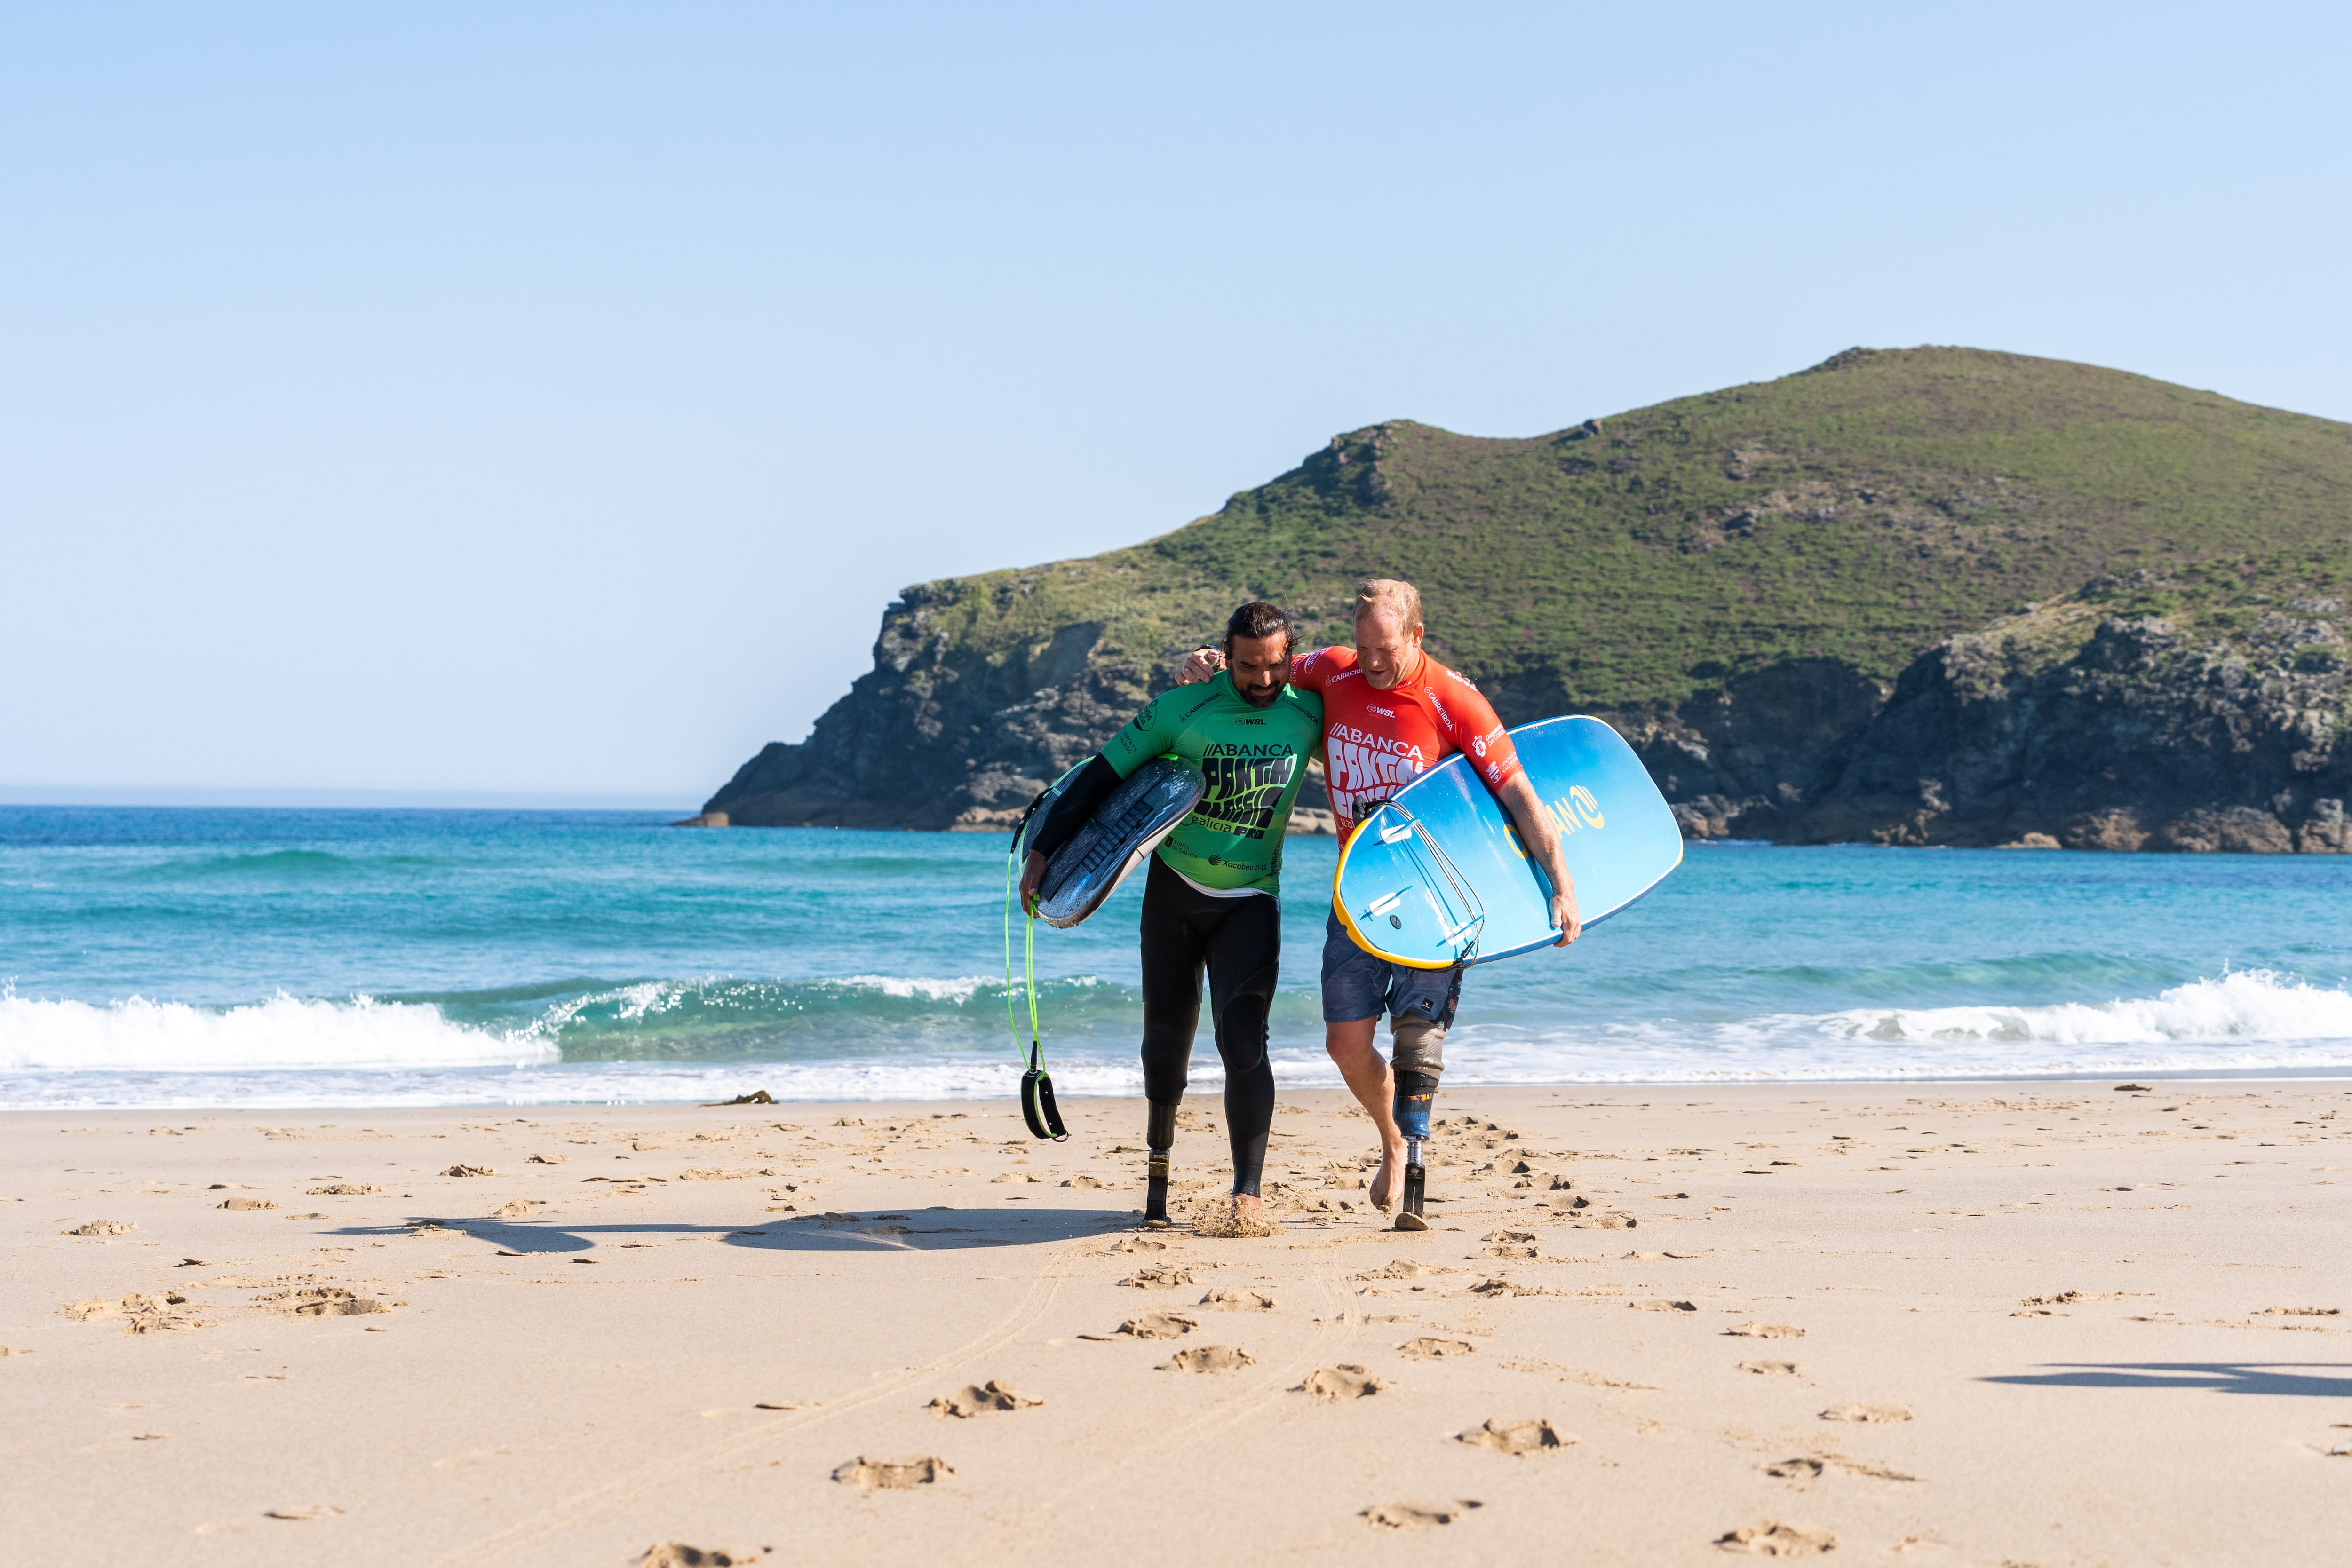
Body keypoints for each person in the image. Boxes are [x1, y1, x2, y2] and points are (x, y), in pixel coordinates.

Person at [1176, 579, 1578, 1228]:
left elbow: (1521, 797)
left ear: (1417, 635)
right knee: (1345, 1043)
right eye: (1363, 647)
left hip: (1438, 899)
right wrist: (1203, 663)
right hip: (1358, 896)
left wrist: (1560, 883)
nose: (1372, 662)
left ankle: (1413, 1161)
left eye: (1385, 649)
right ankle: (1394, 1137)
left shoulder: (1454, 700)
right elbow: (1262, 672)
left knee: (1417, 1040)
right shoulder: (1333, 671)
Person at [1021, 601, 1325, 1234]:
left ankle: (1248, 1194)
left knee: (1244, 1042)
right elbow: (1098, 781)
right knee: (1165, 1044)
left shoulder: (1310, 712)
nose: (1263, 680)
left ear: (1291, 657)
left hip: (1250, 900)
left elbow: (1374, 730)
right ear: (1225, 657)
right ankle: (1158, 1169)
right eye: (1247, 668)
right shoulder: (1179, 710)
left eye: (1275, 666)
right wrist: (1043, 852)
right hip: (1174, 895)